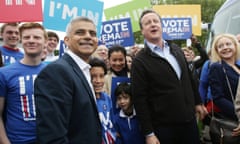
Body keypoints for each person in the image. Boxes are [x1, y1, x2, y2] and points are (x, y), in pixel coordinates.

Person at [131, 9, 207, 144]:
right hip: (164, 129)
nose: (153, 24)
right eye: (148, 23)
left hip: (189, 122)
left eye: (156, 21)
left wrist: (198, 102)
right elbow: (139, 99)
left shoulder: (176, 49)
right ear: (142, 31)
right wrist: (149, 133)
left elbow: (188, 78)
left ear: (161, 25)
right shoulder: (140, 61)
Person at [34, 17, 102, 143]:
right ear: (67, 40)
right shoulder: (56, 72)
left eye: (92, 33)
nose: (88, 36)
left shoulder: (85, 70)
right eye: (80, 32)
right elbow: (53, 136)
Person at [0, 22, 47, 144]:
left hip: (48, 138)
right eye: (27, 37)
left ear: (45, 42)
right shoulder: (4, 73)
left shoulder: (53, 71)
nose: (31, 41)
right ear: (21, 40)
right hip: (18, 140)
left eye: (36, 37)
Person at [208, 33, 240, 139]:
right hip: (232, 118)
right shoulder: (216, 67)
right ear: (217, 51)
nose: (225, 47)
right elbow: (218, 98)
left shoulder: (237, 66)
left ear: (235, 46)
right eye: (220, 46)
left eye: (228, 44)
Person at [89, 57, 117, 144]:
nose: (98, 81)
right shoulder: (85, 100)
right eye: (93, 77)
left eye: (101, 76)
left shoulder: (107, 98)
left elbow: (112, 122)